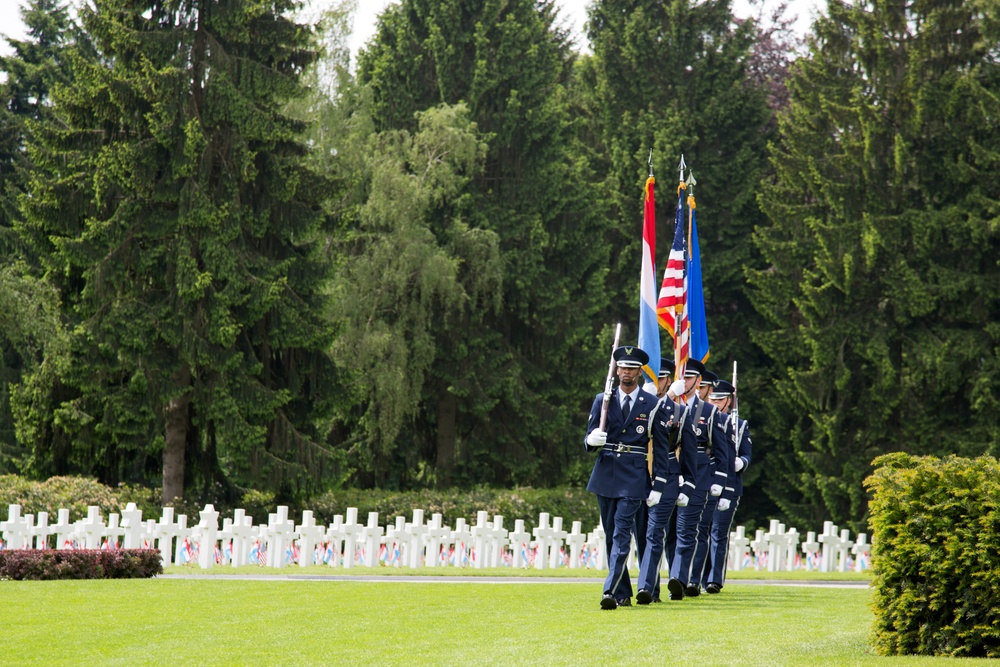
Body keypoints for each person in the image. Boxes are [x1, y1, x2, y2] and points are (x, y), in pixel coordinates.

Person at [584, 345, 658, 610]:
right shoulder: (602, 399)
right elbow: (590, 437)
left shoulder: (651, 403)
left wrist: (657, 482)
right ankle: (623, 592)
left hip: (634, 475)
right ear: (615, 370)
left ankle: (609, 590)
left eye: (631, 368)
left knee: (622, 534)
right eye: (622, 367)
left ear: (639, 372)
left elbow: (658, 447)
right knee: (611, 534)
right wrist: (591, 440)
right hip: (605, 473)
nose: (626, 372)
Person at [664, 359, 729, 601]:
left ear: (698, 381)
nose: (685, 381)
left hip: (699, 475)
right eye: (681, 376)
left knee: (686, 530)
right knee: (669, 532)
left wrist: (720, 482)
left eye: (689, 377)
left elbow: (722, 451)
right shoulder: (667, 406)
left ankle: (679, 579)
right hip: (670, 472)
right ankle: (674, 575)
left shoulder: (709, 412)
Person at [635, 365, 695, 604]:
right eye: (649, 376)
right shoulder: (639, 404)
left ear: (668, 380)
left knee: (654, 532)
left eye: (658, 377)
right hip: (638, 474)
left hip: (668, 475)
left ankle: (645, 588)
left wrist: (688, 484)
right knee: (641, 534)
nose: (654, 381)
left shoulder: (679, 412)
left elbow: (689, 452)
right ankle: (653, 589)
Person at [700, 379, 752, 594]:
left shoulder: (739, 425)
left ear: (729, 401)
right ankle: (698, 578)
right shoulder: (703, 420)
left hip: (729, 486)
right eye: (712, 399)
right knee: (701, 532)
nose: (715, 403)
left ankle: (714, 579)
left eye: (719, 400)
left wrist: (741, 462)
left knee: (719, 532)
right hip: (706, 482)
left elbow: (747, 453)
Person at [686, 369, 733, 597]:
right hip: (685, 477)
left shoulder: (720, 418)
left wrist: (724, 487)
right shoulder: (678, 408)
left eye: (705, 388)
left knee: (704, 531)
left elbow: (726, 456)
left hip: (708, 480)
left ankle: (702, 579)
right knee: (688, 532)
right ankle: (687, 578)